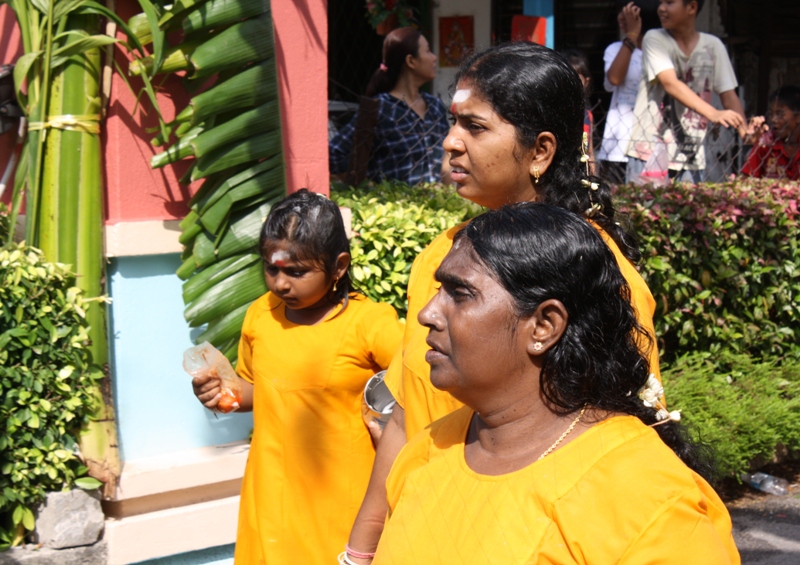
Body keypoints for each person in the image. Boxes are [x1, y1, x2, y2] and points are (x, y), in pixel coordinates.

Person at [344, 43, 663, 564]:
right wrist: (359, 551)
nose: (450, 143)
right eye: (452, 123)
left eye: (475, 126)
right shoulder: (439, 259)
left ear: (539, 151)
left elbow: (624, 442)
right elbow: (406, 417)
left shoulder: (600, 277)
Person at [371, 203, 740, 564]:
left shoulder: (646, 496)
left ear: (544, 326)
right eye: (438, 291)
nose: (427, 313)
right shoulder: (427, 452)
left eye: (460, 293)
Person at [190, 189, 404, 564]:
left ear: (339, 266)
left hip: (340, 507)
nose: (280, 284)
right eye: (271, 269)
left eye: (297, 272)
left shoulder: (369, 324)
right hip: (268, 499)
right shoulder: (261, 315)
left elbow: (429, 384)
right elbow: (260, 391)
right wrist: (223, 392)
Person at [625, 0, 746, 184]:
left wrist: (745, 130)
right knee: (642, 211)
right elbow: (670, 83)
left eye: (669, 2)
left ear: (692, 7)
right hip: (649, 151)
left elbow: (729, 95)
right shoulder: (654, 38)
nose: (661, 8)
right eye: (661, 3)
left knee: (689, 213)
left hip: (691, 157)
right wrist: (713, 112)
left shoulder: (713, 46)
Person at [329, 27, 450, 186]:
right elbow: (333, 154)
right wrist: (365, 186)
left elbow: (447, 160)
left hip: (440, 208)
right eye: (427, 51)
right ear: (411, 61)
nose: (434, 58)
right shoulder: (381, 108)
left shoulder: (435, 107)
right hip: (397, 208)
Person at [597, 0, 660, 183]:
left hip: (652, 142)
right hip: (619, 146)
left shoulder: (660, 51)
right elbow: (614, 78)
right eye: (621, 12)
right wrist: (632, 36)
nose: (620, 18)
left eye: (628, 14)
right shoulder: (616, 49)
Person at [741, 85, 800, 180]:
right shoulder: (766, 143)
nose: (773, 119)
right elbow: (745, 179)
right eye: (771, 114)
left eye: (780, 114)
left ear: (798, 117)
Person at [561, 49, 596, 170]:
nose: (571, 84)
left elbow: (589, 152)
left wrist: (592, 173)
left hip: (581, 172)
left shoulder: (587, 115)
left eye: (576, 79)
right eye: (566, 79)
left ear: (586, 82)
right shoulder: (555, 112)